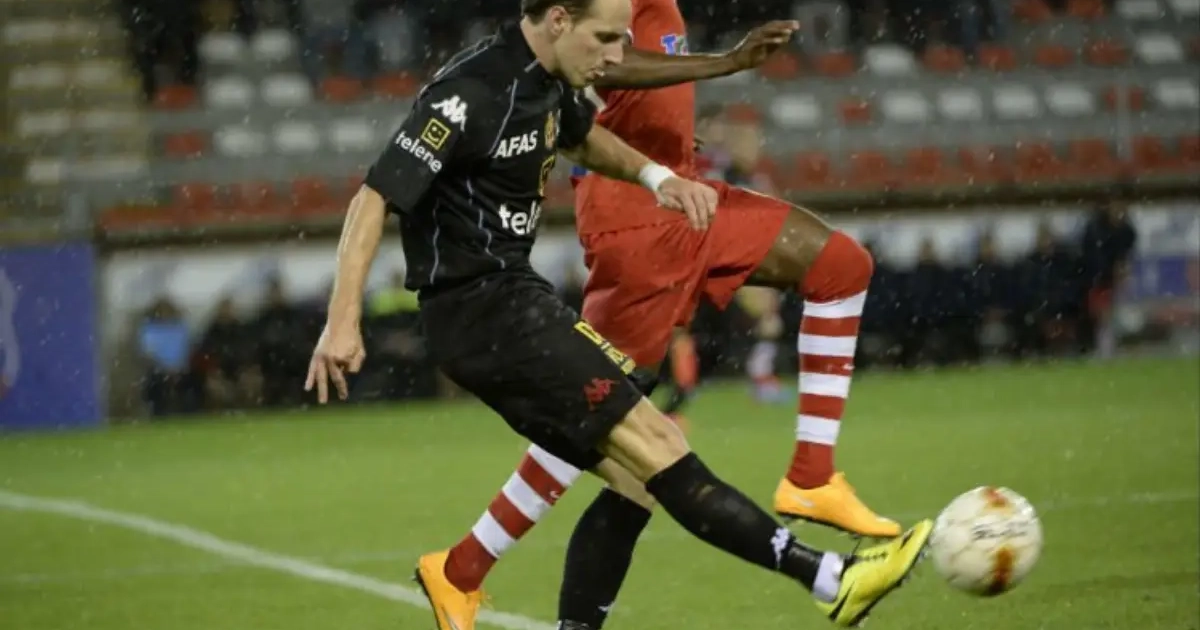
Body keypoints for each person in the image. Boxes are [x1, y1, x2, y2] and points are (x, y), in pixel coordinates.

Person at [305, 2, 932, 630]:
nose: (614, 57)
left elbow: (584, 137)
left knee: (636, 482)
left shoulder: (548, 82)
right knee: (661, 445)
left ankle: (468, 576)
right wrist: (342, 320)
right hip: (487, 314)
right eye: (605, 38)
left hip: (511, 303)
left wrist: (657, 177)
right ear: (558, 20)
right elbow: (375, 196)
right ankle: (833, 579)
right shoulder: (470, 91)